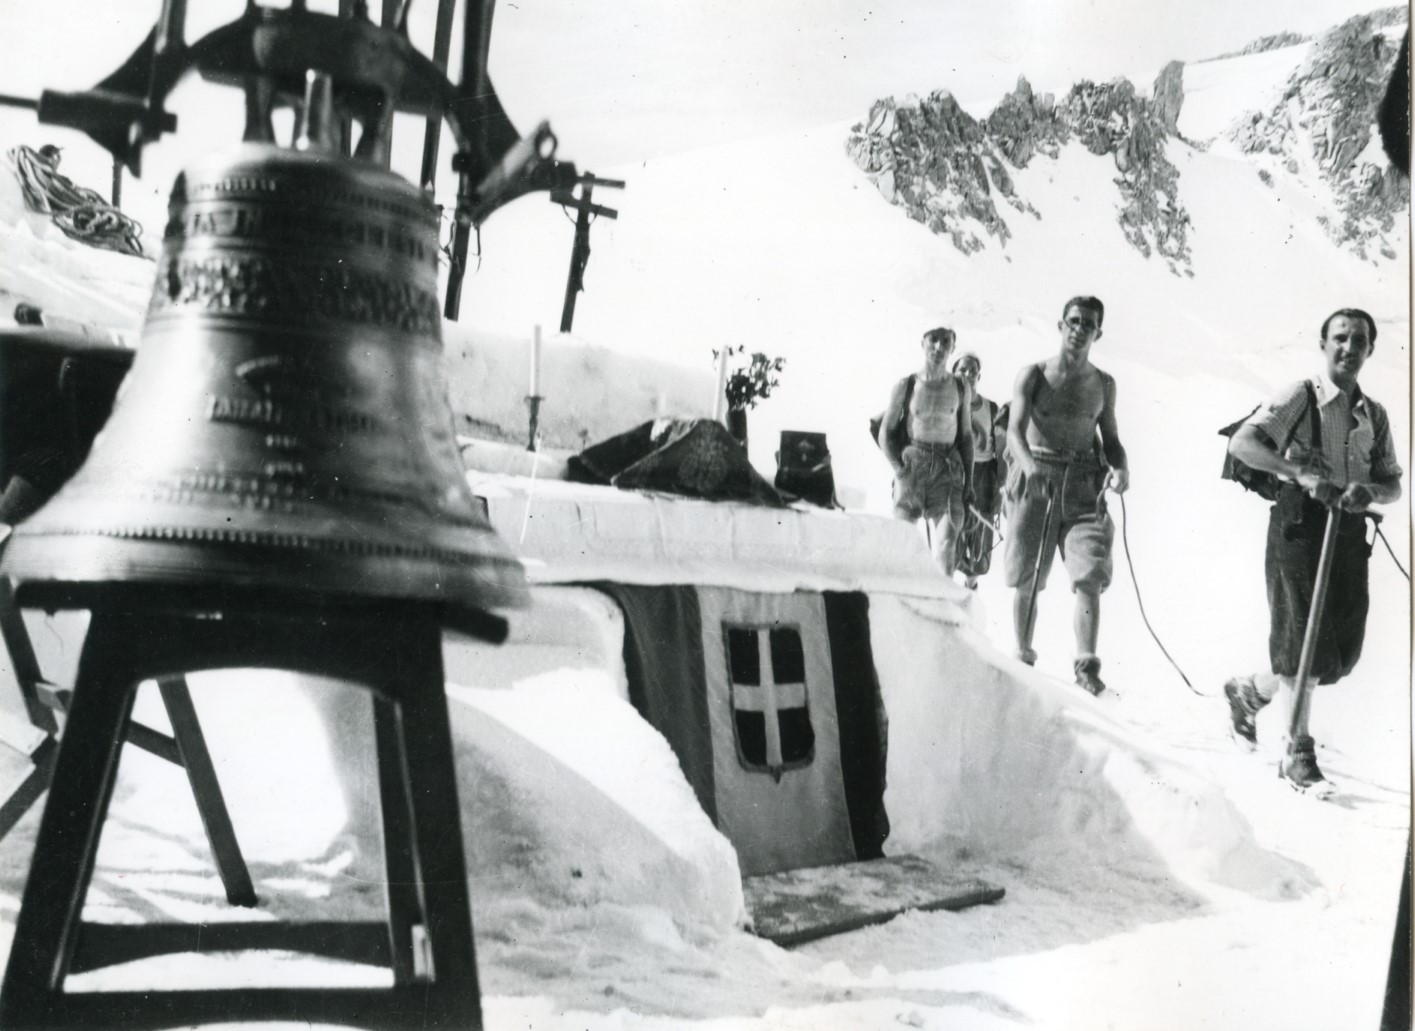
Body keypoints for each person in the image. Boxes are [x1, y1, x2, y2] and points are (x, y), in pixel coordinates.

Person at [1222, 308, 1401, 794]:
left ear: (1369, 350)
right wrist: (1297, 472)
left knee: (1338, 654)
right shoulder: (1301, 395)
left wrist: (1370, 492)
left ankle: (1249, 691)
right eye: (1340, 338)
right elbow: (1243, 443)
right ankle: (1297, 755)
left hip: (1347, 531)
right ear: (1324, 344)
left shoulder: (1374, 414)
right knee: (1303, 641)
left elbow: (1392, 483)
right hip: (1299, 524)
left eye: (1359, 340)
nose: (1349, 348)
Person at [1004, 296, 1128, 695]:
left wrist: (1121, 466)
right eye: (1073, 321)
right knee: (1028, 575)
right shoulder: (1033, 375)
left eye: (1088, 324)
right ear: (1060, 325)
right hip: (1035, 477)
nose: (1079, 329)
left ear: (1098, 333)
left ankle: (1086, 667)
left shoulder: (1104, 384)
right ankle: (1022, 654)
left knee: (1089, 573)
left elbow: (1110, 438)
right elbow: (1014, 431)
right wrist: (1029, 467)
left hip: (1082, 483)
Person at [879, 327, 975, 575]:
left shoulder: (961, 386)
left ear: (953, 348)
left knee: (946, 543)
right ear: (922, 343)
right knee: (902, 545)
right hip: (913, 465)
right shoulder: (906, 385)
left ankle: (942, 607)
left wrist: (970, 483)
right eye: (933, 340)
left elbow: (965, 436)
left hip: (947, 470)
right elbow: (885, 432)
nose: (938, 347)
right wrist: (900, 472)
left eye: (946, 341)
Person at [952, 351, 1003, 589]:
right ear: (954, 373)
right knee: (952, 532)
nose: (968, 374)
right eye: (963, 369)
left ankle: (969, 591)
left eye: (973, 371)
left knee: (980, 534)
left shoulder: (991, 408)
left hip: (983, 475)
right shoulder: (947, 404)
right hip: (954, 472)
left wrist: (1000, 489)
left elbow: (1000, 452)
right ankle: (945, 590)